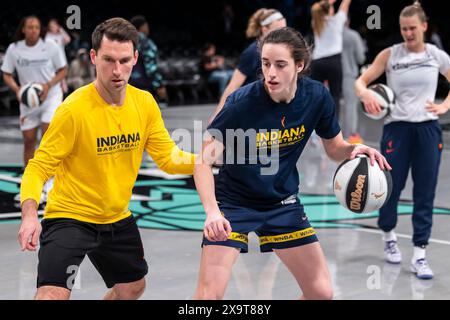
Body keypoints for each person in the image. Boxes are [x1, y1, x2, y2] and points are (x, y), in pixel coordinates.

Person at [193, 27, 390, 300]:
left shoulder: (317, 97)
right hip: (234, 204)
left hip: (281, 202)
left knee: (321, 292)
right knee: (207, 298)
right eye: (265, 64)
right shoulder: (240, 103)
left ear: (299, 65)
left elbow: (334, 149)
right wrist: (212, 211)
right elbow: (203, 161)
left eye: (280, 65)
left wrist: (355, 150)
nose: (270, 73)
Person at [17, 17, 196, 300]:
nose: (117, 70)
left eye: (124, 60)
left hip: (116, 216)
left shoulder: (144, 104)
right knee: (52, 294)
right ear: (93, 57)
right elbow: (38, 167)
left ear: (136, 58)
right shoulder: (73, 110)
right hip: (70, 216)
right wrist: (28, 215)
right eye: (108, 60)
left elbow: (168, 158)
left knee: (132, 288)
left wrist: (206, 159)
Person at [355, 1, 450, 280]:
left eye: (412, 29)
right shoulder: (390, 54)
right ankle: (388, 235)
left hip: (427, 130)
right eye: (403, 29)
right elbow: (360, 81)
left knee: (425, 191)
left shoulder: (437, 55)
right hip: (396, 129)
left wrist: (445, 106)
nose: (408, 34)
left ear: (423, 26)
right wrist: (366, 95)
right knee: (390, 187)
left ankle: (420, 253)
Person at [1, 15, 68, 201]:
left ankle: (49, 182)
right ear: (23, 29)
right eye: (30, 27)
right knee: (29, 140)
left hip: (50, 96)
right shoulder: (14, 49)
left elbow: (63, 70)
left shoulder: (51, 47)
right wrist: (17, 89)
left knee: (48, 139)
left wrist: (48, 85)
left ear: (41, 30)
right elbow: (6, 73)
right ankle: (29, 182)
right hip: (28, 100)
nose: (33, 30)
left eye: (37, 27)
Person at [208, 8, 286, 123]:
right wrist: (218, 113)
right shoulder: (253, 52)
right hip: (251, 111)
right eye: (279, 30)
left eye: (285, 29)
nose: (284, 34)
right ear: (265, 29)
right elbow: (233, 85)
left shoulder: (281, 50)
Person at [310, 0, 352, 117]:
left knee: (315, 96)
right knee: (335, 96)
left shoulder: (316, 22)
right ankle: (332, 127)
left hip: (317, 62)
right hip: (333, 62)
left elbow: (319, 8)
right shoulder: (337, 20)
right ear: (330, 10)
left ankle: (312, 125)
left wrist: (328, 3)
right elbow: (345, 4)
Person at [129, 15, 168, 106]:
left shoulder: (127, 41)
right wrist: (159, 85)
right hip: (144, 84)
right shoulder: (145, 42)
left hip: (130, 82)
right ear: (142, 27)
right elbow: (151, 66)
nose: (147, 29)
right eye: (146, 26)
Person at [341, 18, 366, 144]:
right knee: (350, 105)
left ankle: (331, 135)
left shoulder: (331, 35)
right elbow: (361, 58)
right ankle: (351, 135)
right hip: (349, 74)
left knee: (331, 105)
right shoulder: (353, 36)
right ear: (348, 21)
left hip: (332, 75)